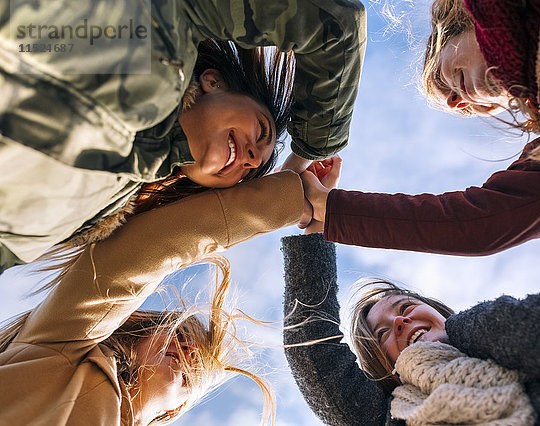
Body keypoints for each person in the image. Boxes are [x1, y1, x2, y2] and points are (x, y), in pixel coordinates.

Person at [0, 0, 367, 272]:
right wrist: (304, 155)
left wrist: (284, 195)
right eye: (261, 130)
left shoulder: (98, 216)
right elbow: (337, 30)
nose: (252, 157)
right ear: (214, 82)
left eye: (249, 171)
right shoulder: (170, 31)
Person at [0, 169, 304, 424]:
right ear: (141, 336)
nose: (189, 349)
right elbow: (149, 249)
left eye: (198, 370)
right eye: (180, 333)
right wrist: (292, 200)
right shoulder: (64, 344)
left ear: (176, 409)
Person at [300, 0, 540, 256]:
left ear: (459, 21)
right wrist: (333, 209)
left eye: (443, 82)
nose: (458, 103)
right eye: (468, 110)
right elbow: (482, 221)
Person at [282, 233, 540, 425]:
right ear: (385, 366)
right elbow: (312, 350)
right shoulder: (386, 417)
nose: (400, 322)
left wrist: (463, 329)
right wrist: (313, 224)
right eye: (382, 334)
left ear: (438, 311)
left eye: (405, 308)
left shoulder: (498, 338)